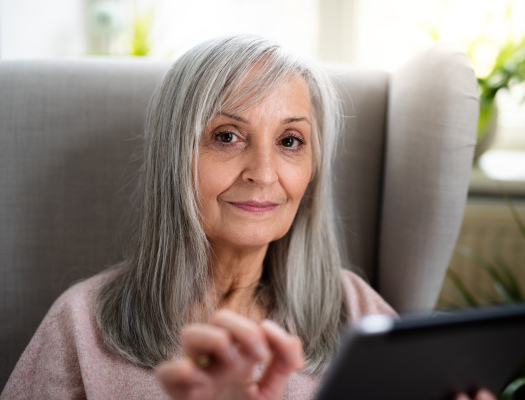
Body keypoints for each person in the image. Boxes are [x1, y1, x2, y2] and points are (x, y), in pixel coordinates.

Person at [1, 35, 495, 400]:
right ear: (177, 157)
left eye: (289, 141)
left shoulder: (355, 310)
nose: (263, 173)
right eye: (227, 136)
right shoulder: (82, 324)